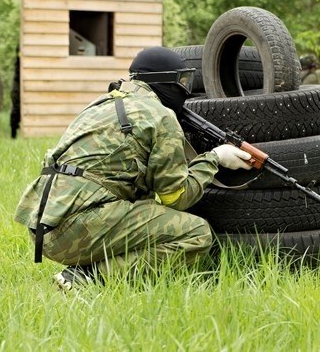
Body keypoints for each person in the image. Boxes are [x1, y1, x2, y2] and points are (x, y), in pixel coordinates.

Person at [14, 46, 253, 291]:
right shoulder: (160, 116)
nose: (185, 88)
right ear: (166, 82)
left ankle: (85, 270)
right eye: (182, 81)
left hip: (44, 228)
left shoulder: (101, 104)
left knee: (148, 207)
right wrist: (215, 158)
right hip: (77, 228)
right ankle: (90, 277)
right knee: (197, 234)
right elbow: (176, 197)